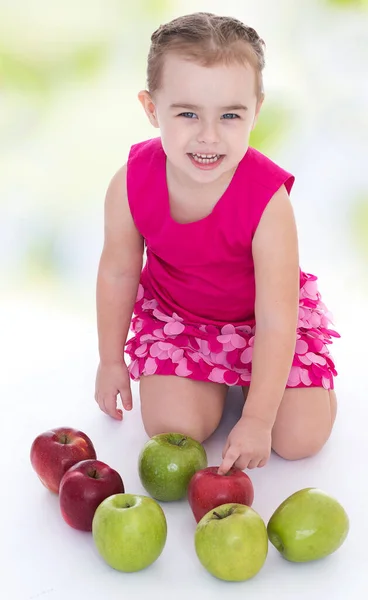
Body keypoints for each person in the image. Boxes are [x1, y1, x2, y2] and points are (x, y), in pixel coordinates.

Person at [94, 12, 339, 475]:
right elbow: (119, 272)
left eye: (230, 115)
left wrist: (258, 418)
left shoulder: (268, 201)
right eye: (187, 113)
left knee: (300, 439)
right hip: (180, 320)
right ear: (151, 109)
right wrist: (110, 361)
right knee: (173, 426)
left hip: (263, 320)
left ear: (256, 111)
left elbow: (275, 316)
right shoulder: (130, 183)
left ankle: (277, 388)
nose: (208, 136)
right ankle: (214, 383)